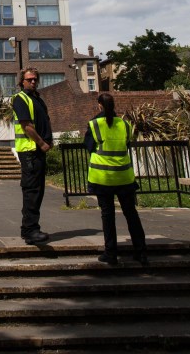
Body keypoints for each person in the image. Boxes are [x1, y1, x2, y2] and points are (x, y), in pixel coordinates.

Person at [84, 92, 148, 266]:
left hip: (103, 177)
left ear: (99, 105)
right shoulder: (125, 125)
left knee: (108, 215)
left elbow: (89, 147)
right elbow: (126, 145)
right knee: (131, 214)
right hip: (124, 176)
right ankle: (141, 252)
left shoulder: (95, 124)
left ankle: (110, 253)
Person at [12, 67, 52, 244]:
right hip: (29, 151)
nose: (33, 82)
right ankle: (30, 231)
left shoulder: (38, 99)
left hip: (37, 151)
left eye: (35, 79)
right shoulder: (20, 99)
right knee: (32, 191)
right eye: (29, 79)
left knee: (38, 191)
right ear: (22, 81)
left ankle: (31, 228)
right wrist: (42, 143)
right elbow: (26, 126)